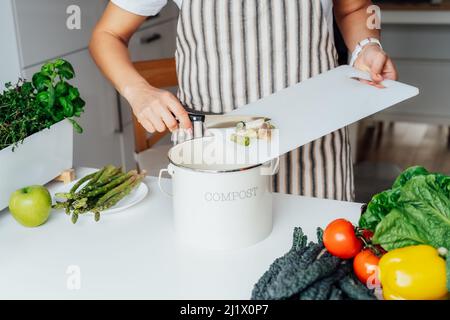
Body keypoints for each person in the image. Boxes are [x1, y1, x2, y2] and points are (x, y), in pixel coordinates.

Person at [89, 0, 398, 201]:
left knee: (319, 266)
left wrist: (366, 47)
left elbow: (353, 9)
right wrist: (138, 91)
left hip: (314, 147)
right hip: (213, 153)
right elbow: (107, 35)